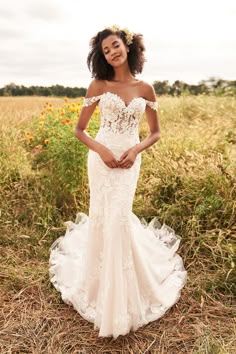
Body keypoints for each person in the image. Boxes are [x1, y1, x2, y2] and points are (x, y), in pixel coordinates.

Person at [49, 25, 187, 339]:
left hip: (129, 162)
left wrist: (136, 149)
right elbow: (80, 130)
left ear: (127, 46)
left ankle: (125, 293)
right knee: (102, 218)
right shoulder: (98, 84)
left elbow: (155, 132)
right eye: (106, 50)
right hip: (101, 160)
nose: (112, 52)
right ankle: (97, 288)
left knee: (120, 219)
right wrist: (101, 151)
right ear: (103, 55)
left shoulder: (145, 89)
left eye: (115, 46)